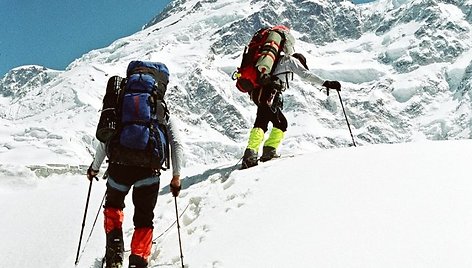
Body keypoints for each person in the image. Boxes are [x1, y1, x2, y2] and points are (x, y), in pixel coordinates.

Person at [86, 84, 184, 268]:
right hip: (149, 170)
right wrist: (176, 176)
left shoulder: (122, 105)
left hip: (119, 168)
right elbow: (176, 144)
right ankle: (138, 260)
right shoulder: (160, 109)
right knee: (144, 217)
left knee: (113, 207)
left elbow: (105, 140)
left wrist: (94, 168)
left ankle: (114, 253)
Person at [241, 35, 342, 169]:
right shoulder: (290, 61)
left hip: (262, 92)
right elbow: (306, 75)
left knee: (273, 122)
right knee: (267, 122)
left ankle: (261, 152)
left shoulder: (278, 61)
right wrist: (326, 83)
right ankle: (254, 154)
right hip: (269, 93)